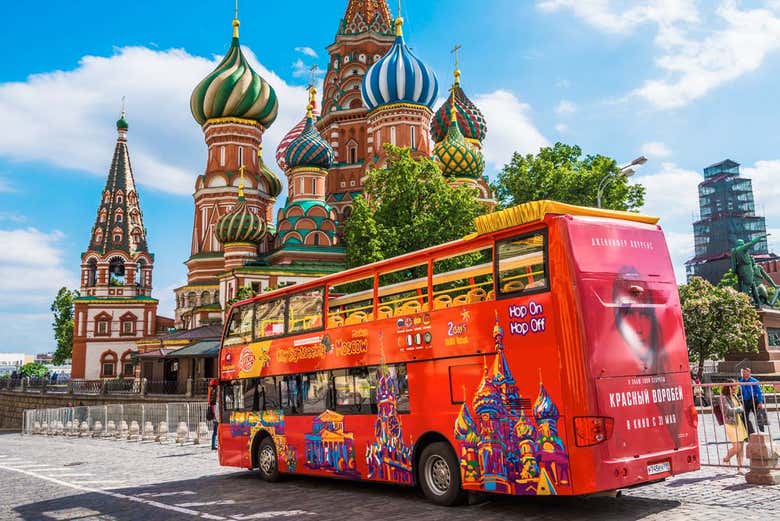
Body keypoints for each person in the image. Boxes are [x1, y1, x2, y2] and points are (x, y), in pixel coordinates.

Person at [720, 380, 748, 471]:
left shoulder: (735, 396)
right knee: (737, 447)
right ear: (728, 387)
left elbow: (741, 407)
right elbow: (728, 410)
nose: (735, 389)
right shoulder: (723, 397)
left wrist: (740, 408)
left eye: (736, 387)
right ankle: (726, 458)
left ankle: (740, 467)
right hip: (731, 424)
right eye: (733, 387)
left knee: (741, 446)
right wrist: (739, 409)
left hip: (739, 422)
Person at [739, 367, 765, 434]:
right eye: (743, 372)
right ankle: (750, 433)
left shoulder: (754, 381)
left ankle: (762, 432)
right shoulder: (741, 381)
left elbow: (759, 392)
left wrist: (760, 402)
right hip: (745, 400)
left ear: (749, 373)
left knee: (758, 416)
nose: (743, 373)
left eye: (745, 372)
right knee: (744, 417)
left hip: (754, 399)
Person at [208, 386, 219, 450]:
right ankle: (214, 445)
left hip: (214, 418)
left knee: (215, 433)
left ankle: (213, 445)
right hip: (217, 419)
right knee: (216, 432)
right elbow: (216, 412)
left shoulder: (212, 402)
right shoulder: (216, 403)